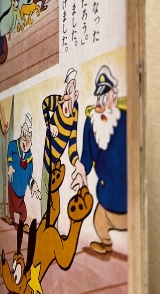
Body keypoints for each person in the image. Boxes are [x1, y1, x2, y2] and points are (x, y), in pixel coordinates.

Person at [72, 65, 127, 254]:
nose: (102, 105)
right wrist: (81, 170)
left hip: (126, 197)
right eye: (99, 99)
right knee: (99, 222)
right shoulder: (91, 123)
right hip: (105, 196)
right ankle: (106, 243)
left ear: (114, 98)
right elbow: (86, 156)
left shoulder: (124, 120)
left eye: (106, 99)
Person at [40, 69, 79, 221]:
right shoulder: (58, 101)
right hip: (47, 156)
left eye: (73, 85)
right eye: (69, 84)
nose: (70, 88)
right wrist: (49, 125)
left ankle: (51, 228)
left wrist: (77, 163)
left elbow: (72, 143)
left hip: (56, 161)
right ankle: (43, 226)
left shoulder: (74, 114)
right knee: (45, 195)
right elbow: (44, 104)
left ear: (76, 94)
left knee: (54, 201)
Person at [5, 113, 41, 232]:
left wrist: (34, 186)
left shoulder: (30, 157)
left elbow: (29, 176)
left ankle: (22, 222)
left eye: (29, 137)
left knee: (22, 208)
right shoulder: (13, 145)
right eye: (25, 135)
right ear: (21, 132)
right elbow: (9, 153)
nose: (26, 140)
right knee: (11, 204)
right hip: (13, 182)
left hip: (21, 188)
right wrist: (10, 166)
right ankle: (11, 218)